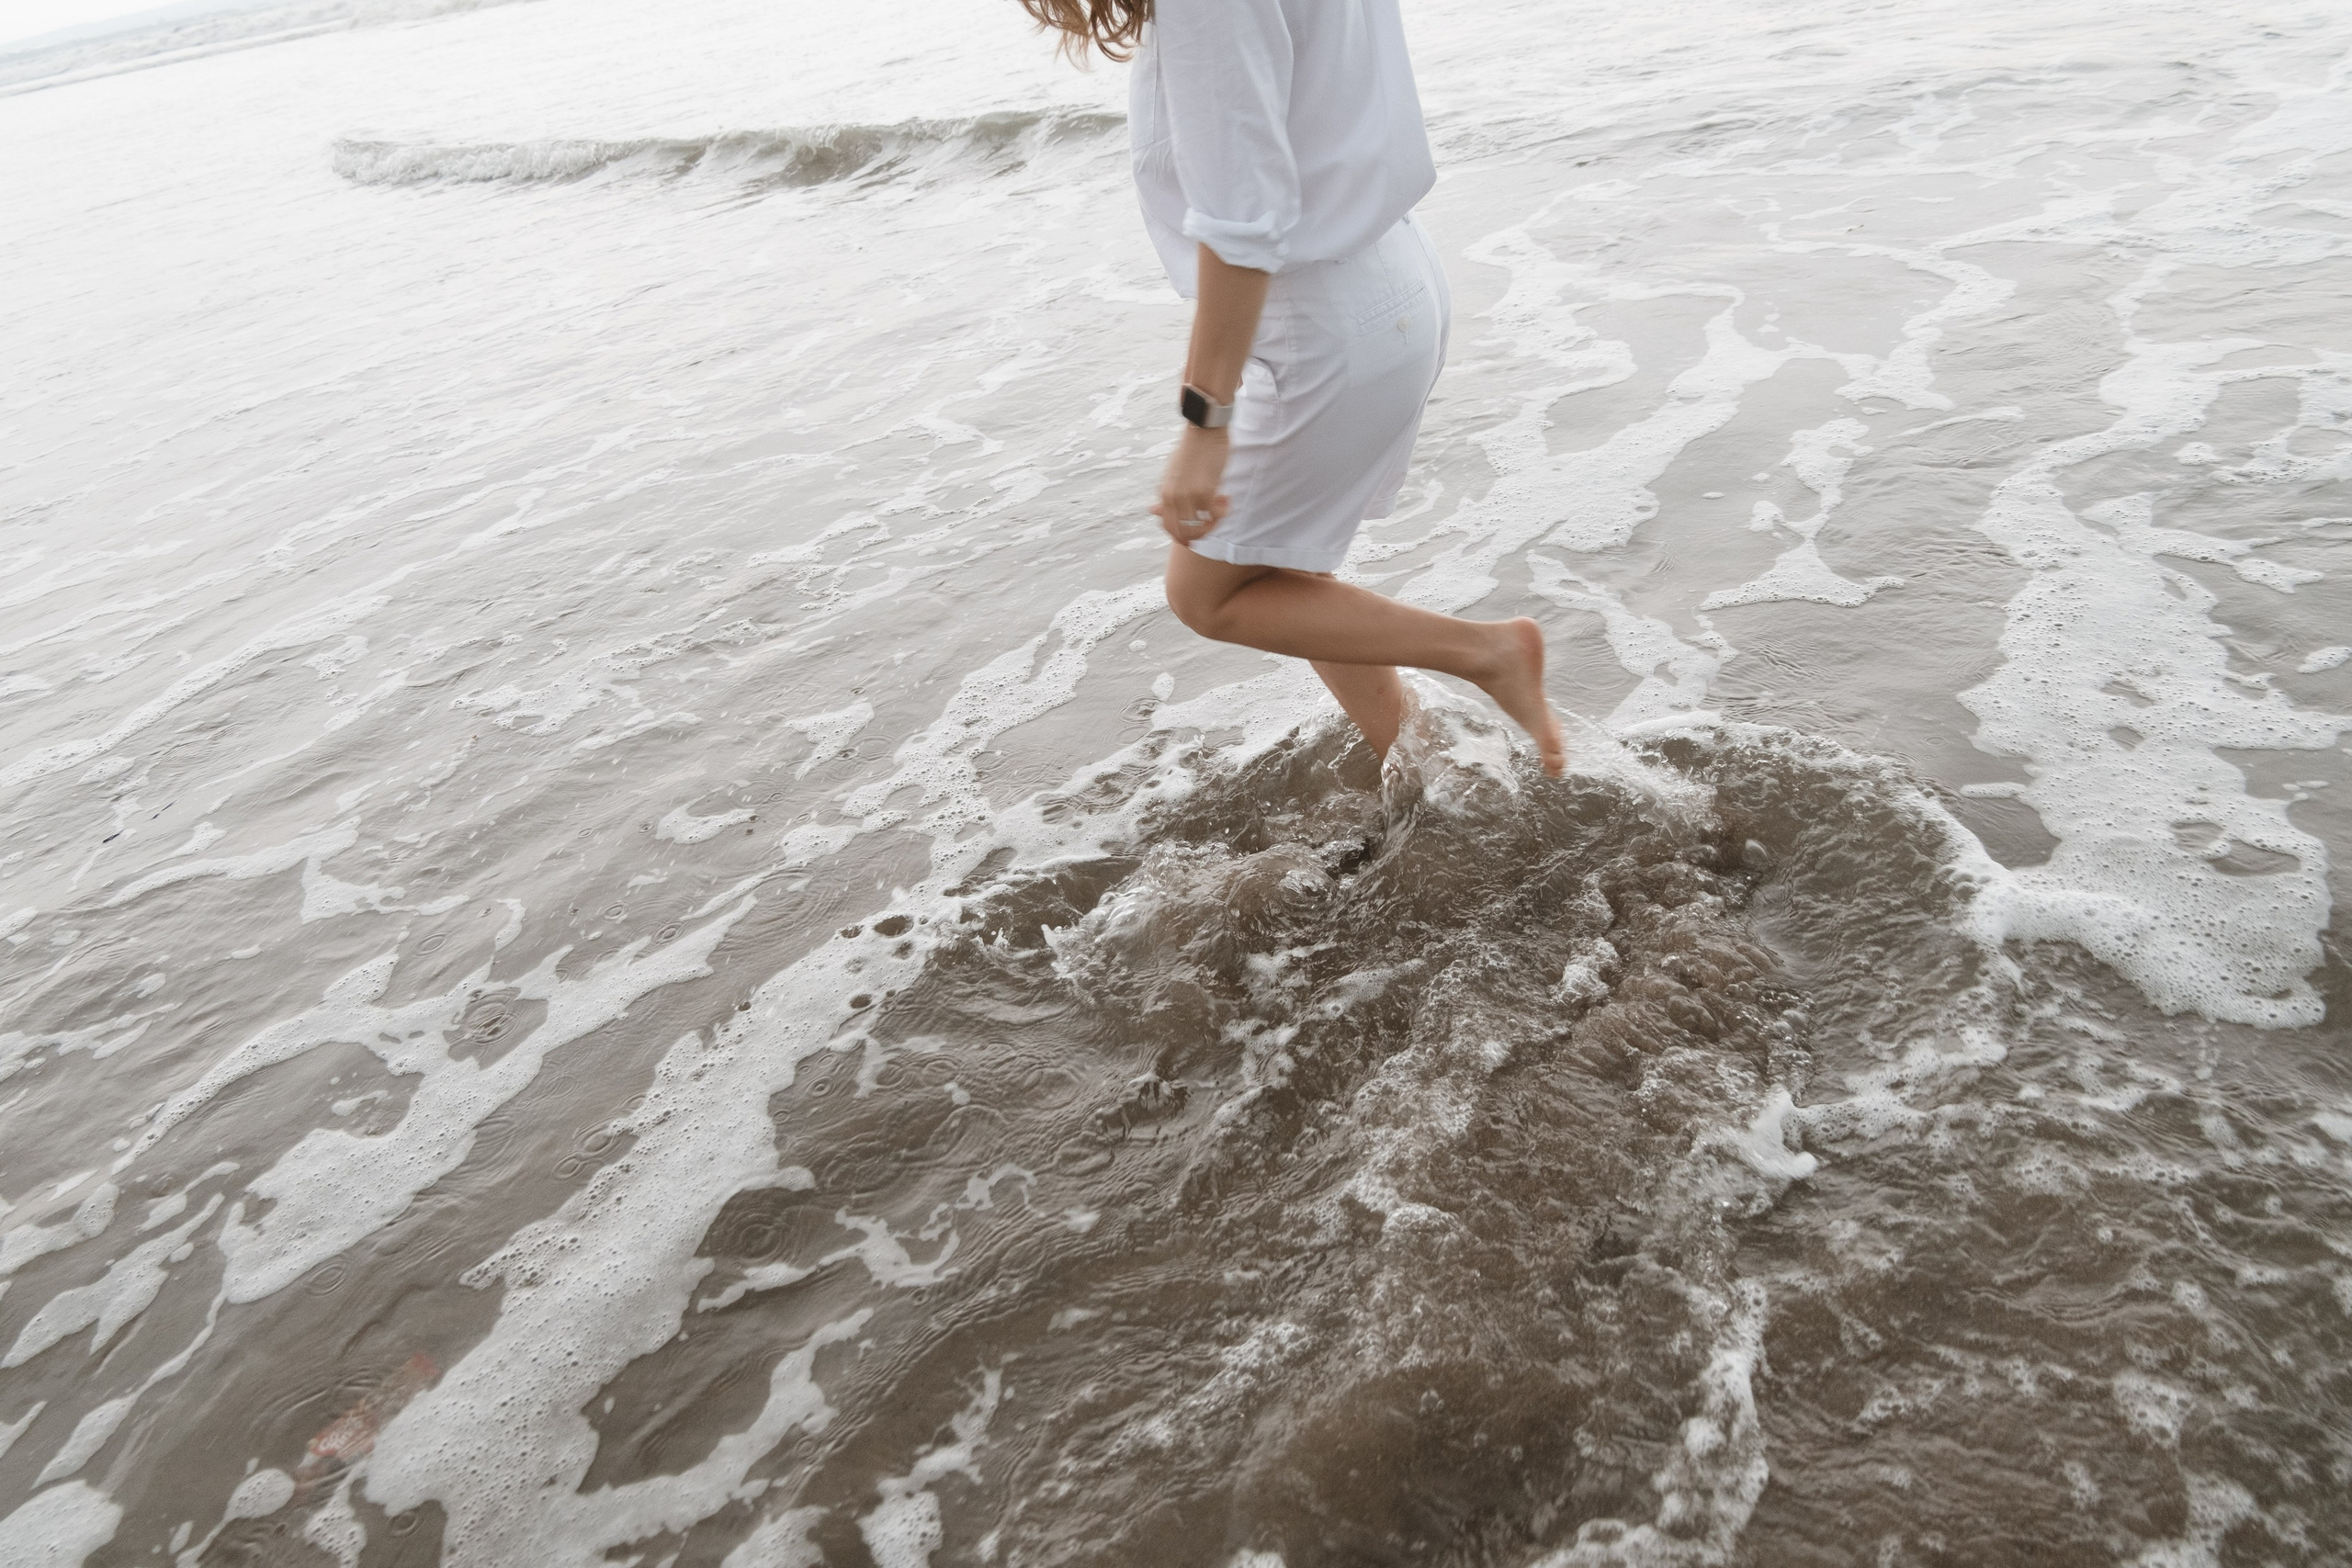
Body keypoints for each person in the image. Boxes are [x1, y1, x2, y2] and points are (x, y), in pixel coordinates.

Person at [1020, 0, 1566, 775]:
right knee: (1286, 573)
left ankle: (1489, 653)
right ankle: (1425, 768)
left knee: (1208, 593)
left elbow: (1244, 224)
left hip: (1318, 323)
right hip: (1396, 275)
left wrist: (1204, 421)